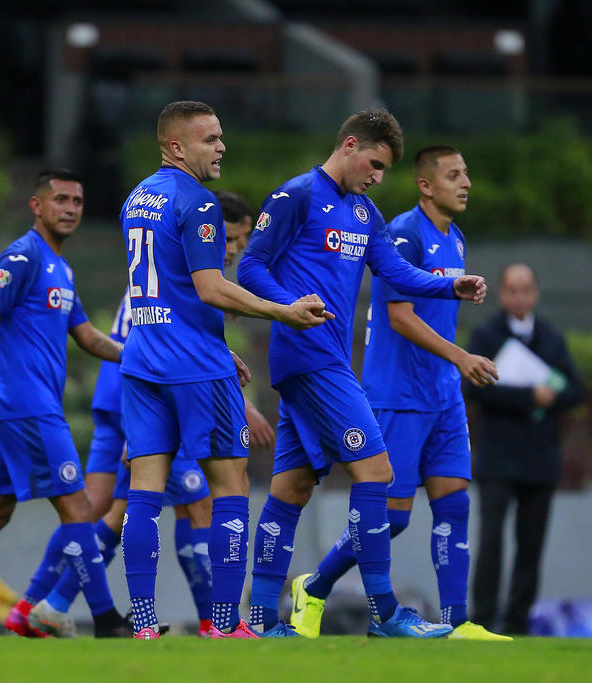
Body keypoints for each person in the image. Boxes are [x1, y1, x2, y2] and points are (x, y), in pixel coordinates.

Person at [239, 111, 488, 638]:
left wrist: (449, 286)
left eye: (384, 170)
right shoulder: (297, 195)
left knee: (291, 487)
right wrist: (287, 305)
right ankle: (386, 613)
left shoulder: (365, 212)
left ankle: (261, 620)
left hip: (325, 358)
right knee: (377, 472)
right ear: (350, 145)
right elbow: (251, 266)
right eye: (374, 164)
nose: (377, 177)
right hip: (309, 356)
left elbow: (394, 272)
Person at [13, 190, 273, 640]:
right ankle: (215, 620)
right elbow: (173, 342)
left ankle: (40, 604)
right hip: (151, 391)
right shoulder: (189, 271)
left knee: (102, 508)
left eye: (240, 241)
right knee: (194, 503)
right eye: (230, 237)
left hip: (124, 388)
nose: (234, 248)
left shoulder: (160, 262)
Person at [119, 101, 332, 640]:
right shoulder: (199, 202)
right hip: (195, 368)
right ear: (176, 147)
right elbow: (211, 288)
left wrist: (212, 342)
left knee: (144, 492)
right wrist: (284, 310)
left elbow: (166, 288)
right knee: (230, 485)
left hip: (143, 360)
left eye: (220, 137)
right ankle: (223, 623)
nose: (221, 148)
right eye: (209, 139)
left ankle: (142, 624)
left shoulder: (136, 198)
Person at [288, 146, 510, 641]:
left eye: (466, 173)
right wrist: (462, 357)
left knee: (454, 504)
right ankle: (315, 586)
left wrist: (453, 368)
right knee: (393, 517)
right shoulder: (404, 233)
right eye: (454, 175)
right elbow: (400, 316)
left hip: (443, 396)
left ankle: (456, 622)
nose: (466, 183)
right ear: (425, 185)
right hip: (398, 395)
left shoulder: (455, 238)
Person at [0, 169, 131, 638]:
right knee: (78, 508)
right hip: (26, 406)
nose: (70, 209)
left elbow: (88, 337)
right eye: (60, 199)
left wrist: (141, 356)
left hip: (25, 409)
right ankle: (107, 621)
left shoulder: (62, 269)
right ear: (37, 205)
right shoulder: (23, 255)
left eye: (77, 201)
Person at [464, 263, 584, 635]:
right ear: (502, 294)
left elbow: (574, 388)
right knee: (491, 540)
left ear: (535, 293)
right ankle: (483, 618)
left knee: (531, 544)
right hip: (498, 455)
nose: (519, 297)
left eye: (526, 289)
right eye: (512, 290)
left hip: (540, 456)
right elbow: (474, 388)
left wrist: (552, 396)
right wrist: (529, 396)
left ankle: (518, 620)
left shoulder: (550, 337)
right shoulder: (485, 336)